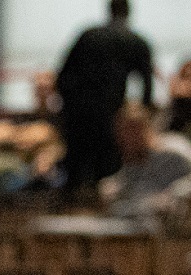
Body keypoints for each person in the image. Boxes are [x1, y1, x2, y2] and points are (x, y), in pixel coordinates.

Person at [56, 0, 155, 192]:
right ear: (128, 14)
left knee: (75, 173)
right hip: (112, 114)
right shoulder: (136, 42)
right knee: (108, 175)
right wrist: (139, 118)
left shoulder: (88, 36)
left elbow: (63, 77)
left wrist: (70, 107)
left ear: (109, 11)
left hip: (79, 115)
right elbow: (147, 86)